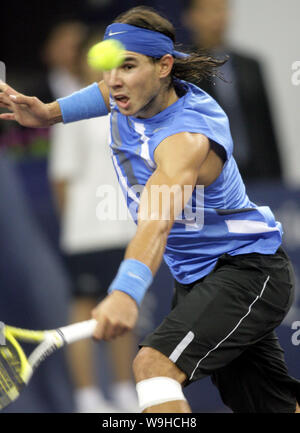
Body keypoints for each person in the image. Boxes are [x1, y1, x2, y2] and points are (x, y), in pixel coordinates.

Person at [0, 5, 299, 414]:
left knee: (152, 367)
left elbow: (156, 224)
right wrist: (49, 113)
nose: (114, 81)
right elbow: (105, 93)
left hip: (246, 272)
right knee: (268, 406)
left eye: (128, 66)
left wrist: (125, 292)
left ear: (164, 67)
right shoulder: (133, 94)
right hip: (199, 276)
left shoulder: (185, 140)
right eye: (109, 66)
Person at [48, 31, 138, 413]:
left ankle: (123, 391)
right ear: (83, 63)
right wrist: (79, 224)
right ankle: (87, 398)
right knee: (84, 313)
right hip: (85, 235)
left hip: (124, 230)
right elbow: (61, 180)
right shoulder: (72, 110)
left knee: (122, 311)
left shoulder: (131, 110)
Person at [181, 0, 283, 183]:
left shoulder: (251, 65)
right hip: (209, 176)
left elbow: (267, 128)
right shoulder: (184, 70)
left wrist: (278, 178)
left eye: (221, 10)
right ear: (191, 17)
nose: (217, 18)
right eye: (209, 11)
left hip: (259, 173)